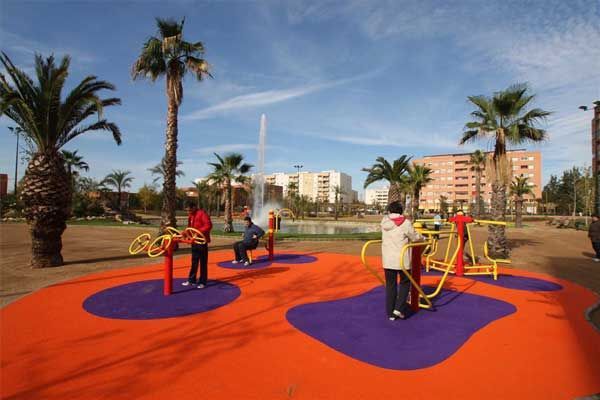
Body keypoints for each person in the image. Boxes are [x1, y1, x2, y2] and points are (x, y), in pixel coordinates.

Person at [381, 201, 424, 321]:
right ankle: (398, 309)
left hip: (388, 259)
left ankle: (390, 312)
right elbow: (414, 236)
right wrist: (423, 237)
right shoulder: (405, 223)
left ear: (389, 211)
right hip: (402, 260)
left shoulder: (385, 222)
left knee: (390, 286)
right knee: (405, 283)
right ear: (401, 211)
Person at [183, 201, 213, 288]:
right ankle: (191, 280)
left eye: (189, 210)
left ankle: (202, 282)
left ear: (194, 207)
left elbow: (208, 225)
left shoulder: (202, 214)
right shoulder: (191, 216)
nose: (188, 212)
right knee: (194, 261)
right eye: (187, 211)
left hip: (201, 241)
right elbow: (190, 228)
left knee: (203, 262)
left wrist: (198, 232)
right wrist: (184, 233)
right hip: (195, 241)